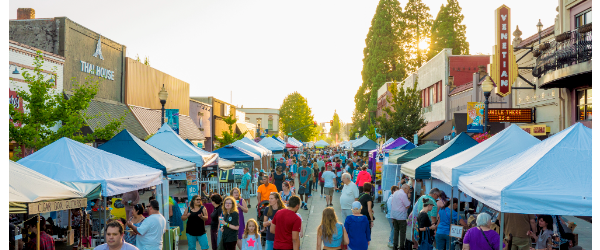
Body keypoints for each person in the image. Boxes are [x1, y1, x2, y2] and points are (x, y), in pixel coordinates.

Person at [391, 184, 411, 250]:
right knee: (402, 233)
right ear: (405, 188)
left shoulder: (396, 193)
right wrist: (409, 198)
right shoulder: (403, 194)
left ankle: (395, 246)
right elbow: (407, 205)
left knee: (396, 231)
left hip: (394, 215)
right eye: (408, 190)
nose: (408, 191)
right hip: (401, 216)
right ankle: (401, 247)